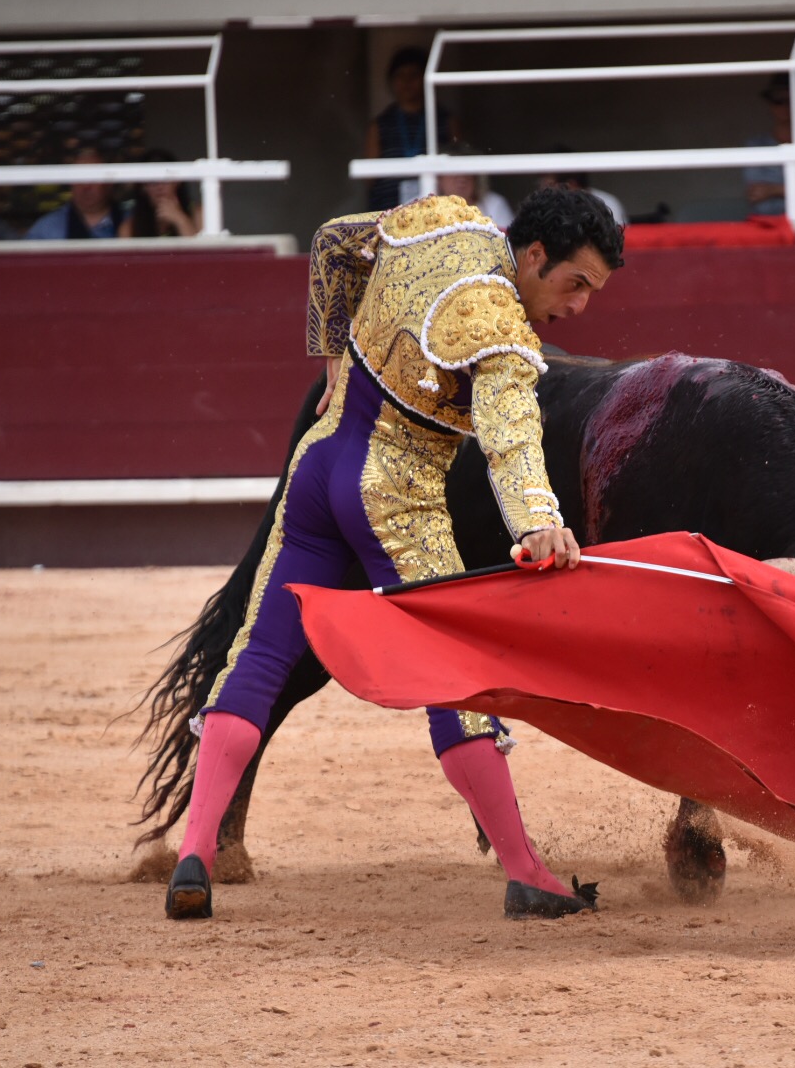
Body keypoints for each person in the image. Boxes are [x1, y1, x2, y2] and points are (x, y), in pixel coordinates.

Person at [164, 187, 624, 923]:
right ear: (534, 256)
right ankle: (527, 873)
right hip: (396, 495)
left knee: (257, 655)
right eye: (576, 285)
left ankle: (195, 852)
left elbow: (332, 241)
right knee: (456, 678)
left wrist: (333, 357)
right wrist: (541, 521)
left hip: (317, 466)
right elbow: (510, 437)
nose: (578, 308)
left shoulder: (446, 221)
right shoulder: (500, 327)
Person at [366, 45, 457, 210]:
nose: (407, 81)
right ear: (391, 81)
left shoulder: (445, 120)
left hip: (434, 211)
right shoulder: (380, 125)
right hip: (387, 210)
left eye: (414, 75)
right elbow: (370, 179)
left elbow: (458, 167)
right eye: (400, 75)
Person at [745, 75, 795, 216]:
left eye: (793, 101)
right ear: (770, 105)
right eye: (779, 101)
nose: (786, 106)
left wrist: (773, 190)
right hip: (767, 224)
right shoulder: (756, 145)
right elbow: (756, 194)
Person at [25, 147, 124, 240]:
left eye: (93, 177)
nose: (86, 186)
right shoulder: (46, 230)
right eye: (79, 177)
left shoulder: (131, 223)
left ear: (109, 182)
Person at [119, 149, 203, 238]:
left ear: (177, 182)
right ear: (143, 187)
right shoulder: (129, 228)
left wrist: (180, 220)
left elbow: (201, 250)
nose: (159, 187)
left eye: (165, 179)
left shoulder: (198, 214)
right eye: (152, 181)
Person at [538, 149, 628, 227]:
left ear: (570, 185)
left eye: (550, 185)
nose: (542, 189)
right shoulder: (542, 208)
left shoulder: (607, 204)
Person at [436, 141, 515, 227]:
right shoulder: (426, 204)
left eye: (468, 171)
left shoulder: (494, 204)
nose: (462, 178)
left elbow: (507, 238)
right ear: (439, 178)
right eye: (454, 171)